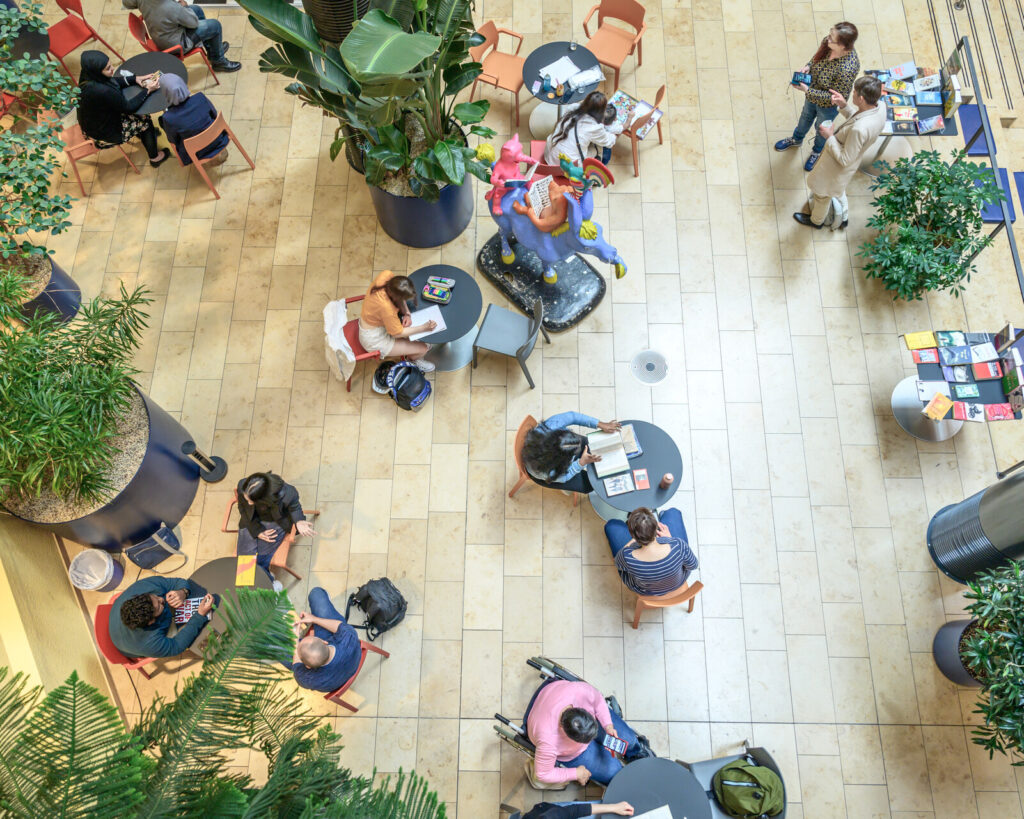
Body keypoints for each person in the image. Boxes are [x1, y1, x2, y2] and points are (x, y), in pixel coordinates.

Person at [794, 75, 885, 230]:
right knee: (837, 190)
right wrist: (844, 106)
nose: (852, 94)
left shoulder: (859, 130)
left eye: (855, 93)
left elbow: (844, 159)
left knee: (822, 196)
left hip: (836, 168)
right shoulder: (880, 107)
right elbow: (858, 118)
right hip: (851, 162)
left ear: (861, 98)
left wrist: (829, 137)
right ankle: (843, 216)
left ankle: (816, 221)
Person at [525, 678, 651, 787]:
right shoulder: (548, 740)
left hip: (560, 697)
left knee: (629, 740)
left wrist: (608, 725)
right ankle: (621, 780)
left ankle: (636, 753)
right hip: (572, 752)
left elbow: (598, 700)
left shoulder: (578, 691)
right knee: (613, 772)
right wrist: (575, 773)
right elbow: (543, 774)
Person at [773, 21, 859, 171]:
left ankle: (817, 151)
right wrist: (809, 65)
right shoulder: (829, 43)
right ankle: (796, 139)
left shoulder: (848, 69)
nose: (828, 39)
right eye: (830, 35)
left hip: (827, 106)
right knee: (805, 117)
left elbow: (835, 98)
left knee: (822, 129)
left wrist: (807, 91)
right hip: (812, 93)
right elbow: (816, 57)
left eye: (832, 39)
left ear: (843, 47)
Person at [77, 51, 170, 167]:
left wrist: (135, 79)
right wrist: (148, 90)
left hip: (94, 123)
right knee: (145, 120)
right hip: (105, 133)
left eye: (111, 65)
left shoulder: (89, 77)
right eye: (108, 68)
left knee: (139, 115)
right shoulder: (102, 91)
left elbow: (111, 81)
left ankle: (144, 135)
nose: (113, 69)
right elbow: (128, 107)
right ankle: (155, 158)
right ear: (97, 71)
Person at [235, 471, 315, 592]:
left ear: (265, 498)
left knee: (261, 559)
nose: (249, 503)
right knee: (244, 568)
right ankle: (263, 584)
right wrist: (257, 531)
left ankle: (267, 584)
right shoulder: (243, 486)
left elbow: (295, 508)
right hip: (251, 521)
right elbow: (243, 509)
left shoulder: (288, 493)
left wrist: (298, 521)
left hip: (276, 521)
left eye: (251, 500)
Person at [109, 576, 215, 658]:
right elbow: (177, 646)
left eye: (155, 597)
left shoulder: (143, 587)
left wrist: (183, 592)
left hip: (115, 621)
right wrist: (200, 615)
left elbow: (177, 582)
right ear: (151, 622)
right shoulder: (149, 643)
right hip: (127, 645)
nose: (162, 599)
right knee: (186, 632)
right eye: (159, 606)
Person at [121, 0, 240, 72]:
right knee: (215, 25)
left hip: (161, 36)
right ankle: (218, 61)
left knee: (197, 9)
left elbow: (126, 2)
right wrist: (184, 7)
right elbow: (193, 23)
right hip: (177, 44)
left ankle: (213, 51)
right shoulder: (170, 7)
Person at [604, 507, 699, 595]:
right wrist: (670, 539)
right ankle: (663, 515)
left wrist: (633, 540)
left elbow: (617, 563)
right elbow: (693, 565)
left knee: (612, 525)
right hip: (677, 583)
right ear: (655, 528)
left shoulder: (627, 556)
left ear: (632, 535)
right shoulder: (678, 544)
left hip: (645, 590)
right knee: (672, 512)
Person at [358, 270, 436, 373]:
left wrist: (407, 313)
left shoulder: (387, 275)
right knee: (423, 348)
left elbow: (398, 295)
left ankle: (412, 350)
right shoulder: (387, 309)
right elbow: (397, 333)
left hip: (374, 322)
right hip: (374, 339)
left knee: (412, 338)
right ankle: (414, 360)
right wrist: (424, 327)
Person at [523, 413, 621, 494]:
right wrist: (580, 463)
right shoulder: (547, 471)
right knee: (588, 485)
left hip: (550, 456)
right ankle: (567, 491)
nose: (580, 446)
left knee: (591, 445)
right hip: (550, 475)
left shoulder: (551, 426)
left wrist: (600, 424)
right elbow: (564, 477)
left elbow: (573, 416)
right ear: (563, 462)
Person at [288, 587, 362, 693]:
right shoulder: (348, 637)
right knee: (316, 593)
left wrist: (295, 642)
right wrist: (314, 619)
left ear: (307, 666)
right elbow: (339, 626)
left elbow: (296, 665)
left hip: (333, 683)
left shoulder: (306, 679)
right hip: (353, 660)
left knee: (275, 649)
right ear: (324, 641)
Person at [157, 73, 229, 166]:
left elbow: (173, 140)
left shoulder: (168, 118)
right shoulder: (200, 97)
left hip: (197, 152)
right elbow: (214, 115)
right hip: (219, 138)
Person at [543, 91, 622, 166]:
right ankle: (602, 164)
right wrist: (617, 130)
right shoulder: (595, 128)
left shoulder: (572, 107)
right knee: (601, 148)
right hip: (567, 167)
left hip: (549, 155)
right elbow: (609, 142)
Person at [513, 801, 635, 819]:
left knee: (604, 807)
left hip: (553, 812)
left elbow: (574, 811)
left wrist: (614, 807)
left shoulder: (548, 817)